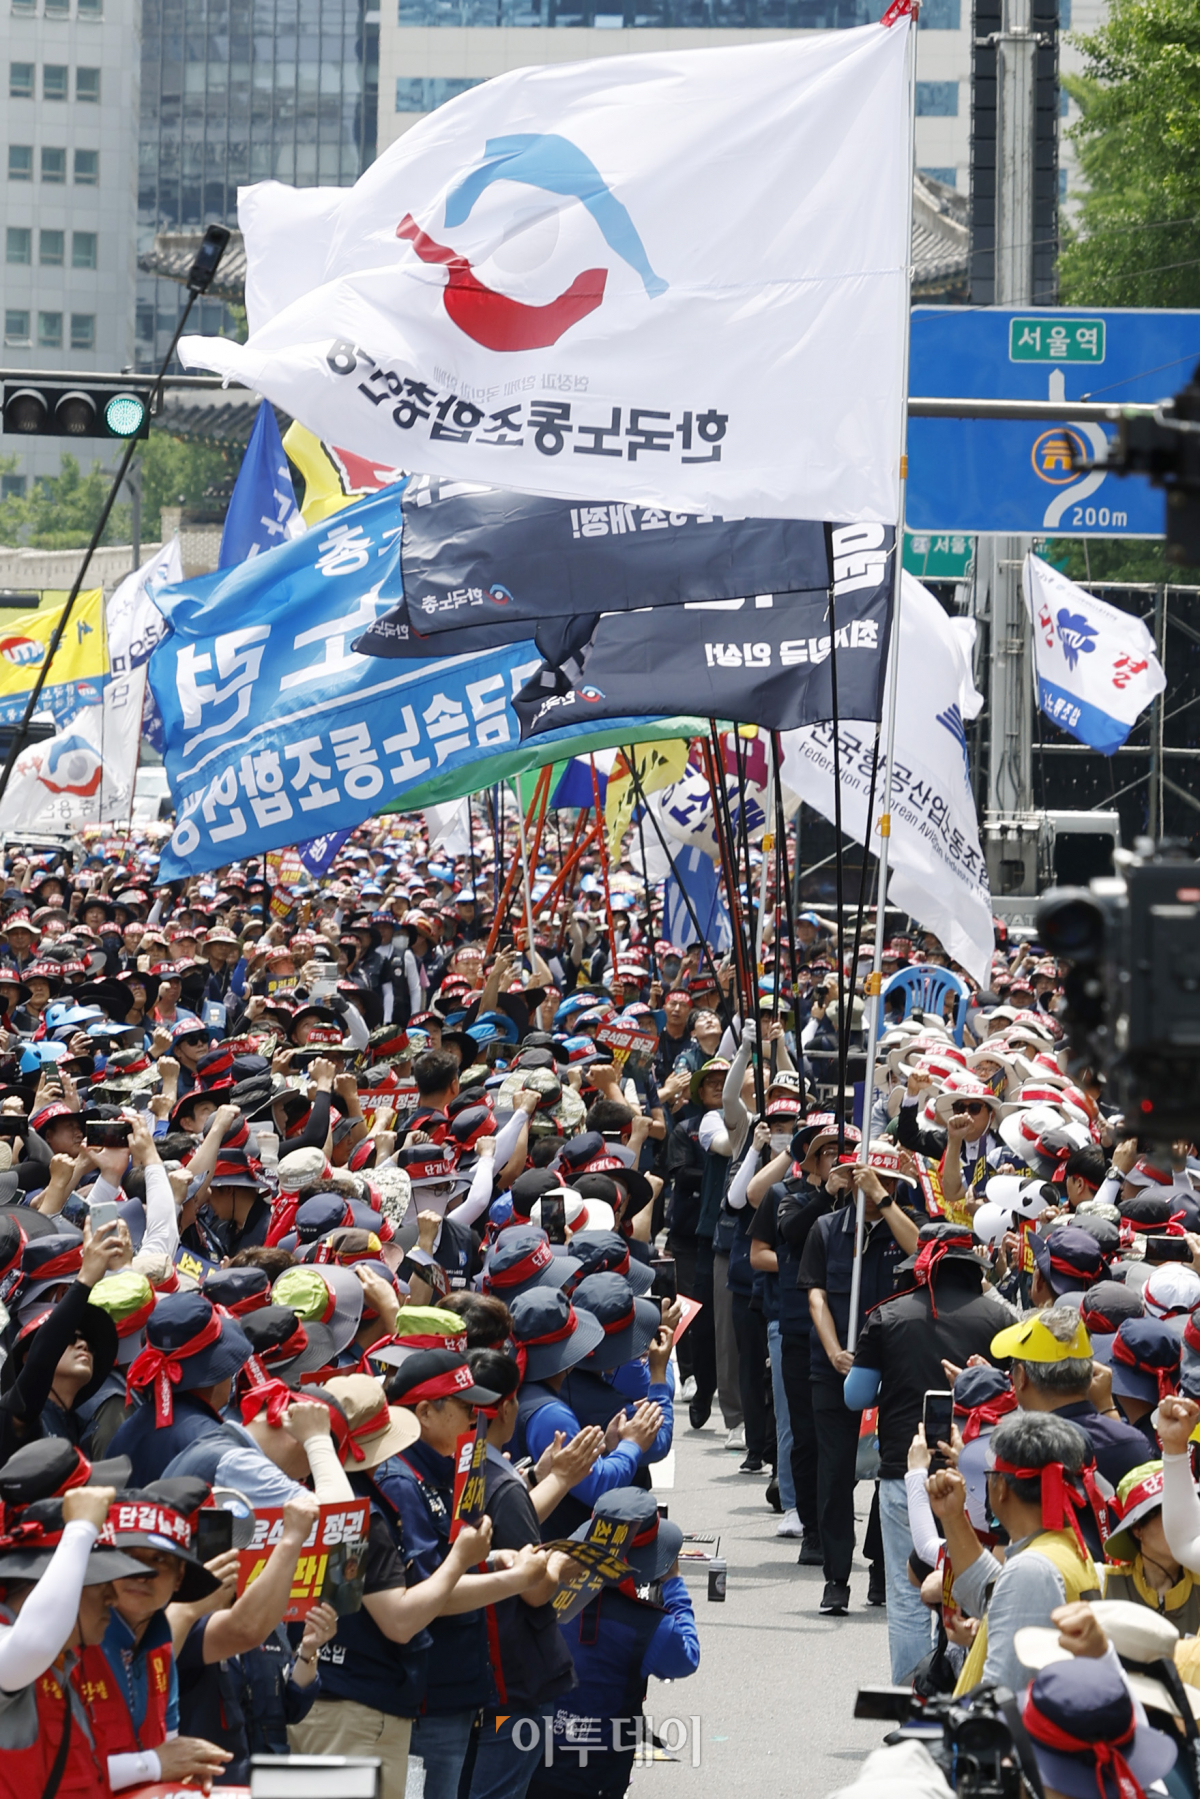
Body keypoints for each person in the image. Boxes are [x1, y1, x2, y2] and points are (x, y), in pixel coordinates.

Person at [377, 1349, 565, 1799]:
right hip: (430, 1693)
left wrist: (491, 1561)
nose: (472, 1416)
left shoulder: (443, 1466)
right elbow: (426, 1593)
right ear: (424, 1411)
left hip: (455, 1686)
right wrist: (518, 1576)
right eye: (462, 1406)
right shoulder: (403, 1479)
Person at [845, 1220, 1015, 1684]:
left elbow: (856, 1396)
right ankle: (968, 1690)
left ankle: (911, 1703)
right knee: (979, 1586)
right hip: (982, 1475)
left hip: (907, 1465)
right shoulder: (1001, 1321)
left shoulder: (887, 1316)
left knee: (908, 1593)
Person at [798, 1152, 921, 1615]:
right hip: (834, 1368)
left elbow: (920, 1254)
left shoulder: (902, 1222)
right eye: (867, 1179)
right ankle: (836, 1577)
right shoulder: (828, 1230)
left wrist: (884, 1198)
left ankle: (879, 1567)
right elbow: (816, 1296)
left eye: (884, 1179)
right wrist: (833, 1351)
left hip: (894, 1372)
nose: (871, 1187)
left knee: (890, 1471)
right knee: (835, 1475)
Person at [526, 1489, 699, 1799]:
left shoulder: (537, 1597)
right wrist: (674, 1584)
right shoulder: (651, 1626)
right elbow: (687, 1657)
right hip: (598, 1775)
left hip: (523, 1756)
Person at [927, 1411, 1101, 1697]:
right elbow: (993, 1596)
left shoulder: (1032, 1570)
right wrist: (953, 1518)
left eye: (989, 1475)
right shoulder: (1061, 1546)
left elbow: (1001, 1693)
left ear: (1002, 1487)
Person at [0, 1483, 149, 1796]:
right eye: (96, 1581)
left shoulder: (64, 1664)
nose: (112, 1596)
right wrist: (80, 1529)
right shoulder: (16, 1643)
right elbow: (34, 1644)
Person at [1102, 1461, 1200, 1633]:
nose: (1185, 1525)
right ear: (1138, 1529)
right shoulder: (1103, 1585)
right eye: (1170, 1517)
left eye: (1188, 1513)